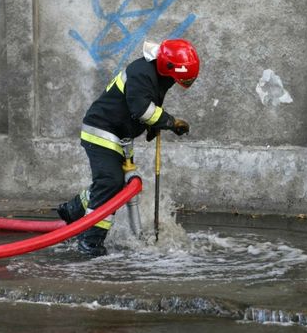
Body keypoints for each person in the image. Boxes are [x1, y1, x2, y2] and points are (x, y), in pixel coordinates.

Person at [57, 39, 200, 256]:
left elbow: (144, 105)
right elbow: (141, 109)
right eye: (180, 78)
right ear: (168, 67)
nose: (179, 82)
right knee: (111, 183)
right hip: (101, 131)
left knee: (117, 186)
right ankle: (90, 240)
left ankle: (75, 209)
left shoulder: (159, 74)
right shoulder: (142, 72)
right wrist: (169, 122)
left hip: (119, 135)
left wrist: (153, 125)